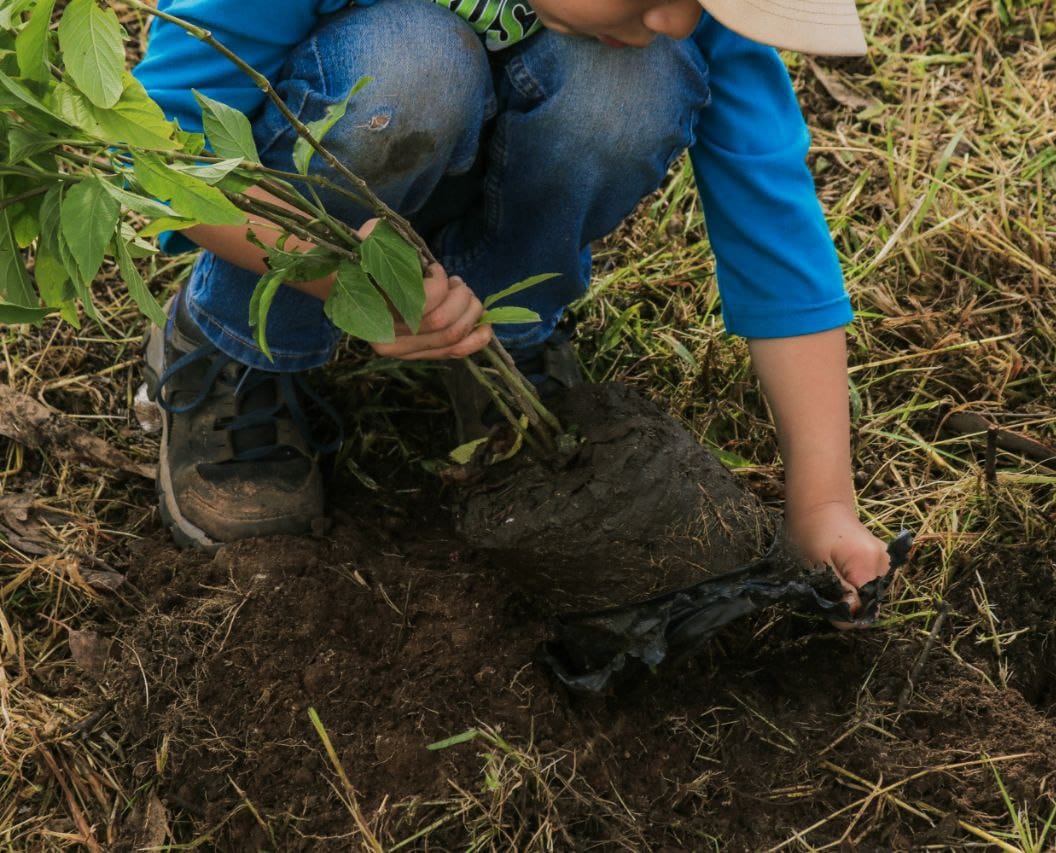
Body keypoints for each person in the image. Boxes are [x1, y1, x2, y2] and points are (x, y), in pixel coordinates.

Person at [133, 0, 891, 608]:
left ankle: (496, 333)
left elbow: (772, 223)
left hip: (478, 172)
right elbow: (155, 149)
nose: (681, 19)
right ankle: (238, 345)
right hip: (320, 182)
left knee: (639, 83)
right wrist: (343, 274)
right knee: (413, 65)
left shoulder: (677, 15)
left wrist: (822, 501)